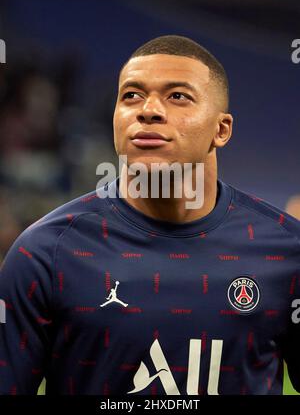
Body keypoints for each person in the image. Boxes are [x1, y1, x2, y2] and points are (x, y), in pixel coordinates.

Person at [0, 35, 300, 396]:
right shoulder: (45, 253)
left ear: (221, 130)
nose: (148, 109)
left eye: (177, 96)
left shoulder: (285, 250)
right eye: (131, 95)